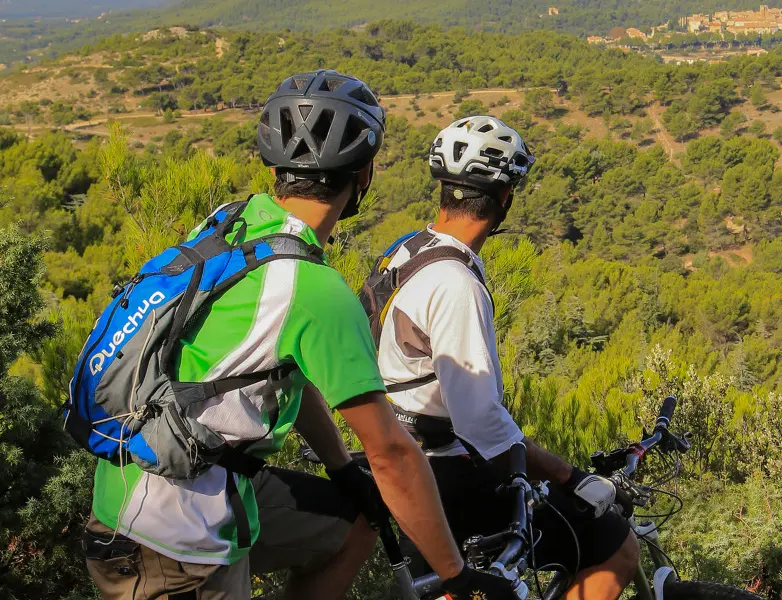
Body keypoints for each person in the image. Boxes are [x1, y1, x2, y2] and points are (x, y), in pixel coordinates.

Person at [82, 71, 516, 600]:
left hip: (141, 481)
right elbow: (392, 455)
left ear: (274, 167)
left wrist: (341, 470)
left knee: (357, 521)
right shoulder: (313, 287)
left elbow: (279, 370)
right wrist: (456, 575)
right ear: (364, 175)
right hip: (175, 546)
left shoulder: (232, 223)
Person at [369, 115, 640, 600]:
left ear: (446, 189)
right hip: (448, 475)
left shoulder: (407, 251)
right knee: (617, 547)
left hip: (404, 459)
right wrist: (572, 477)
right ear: (505, 199)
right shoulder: (454, 284)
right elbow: (479, 422)